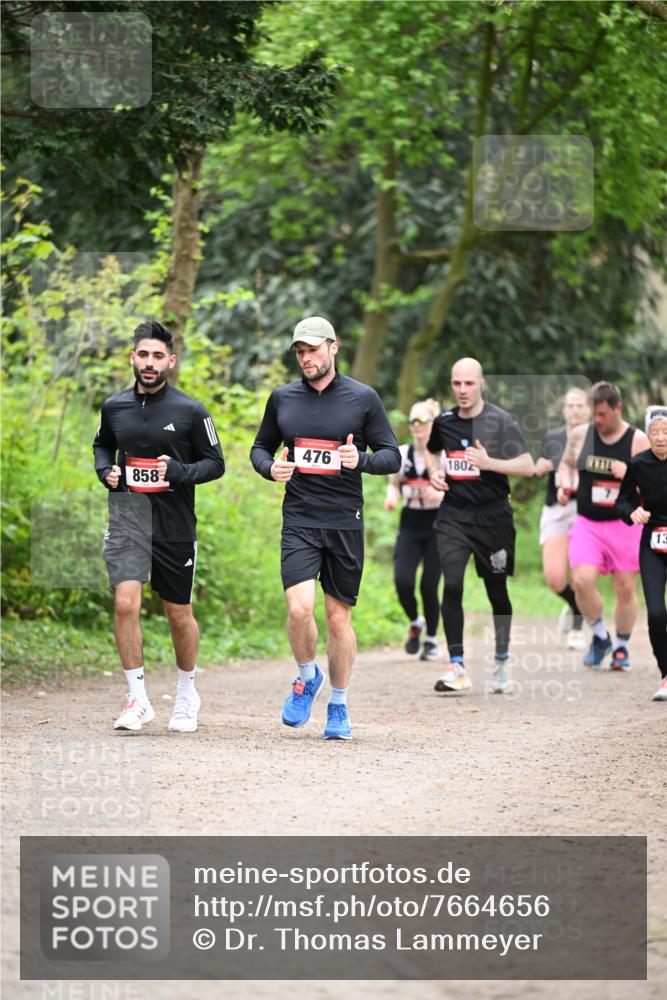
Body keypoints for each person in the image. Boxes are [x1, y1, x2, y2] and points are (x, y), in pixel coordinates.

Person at [250, 316, 400, 740]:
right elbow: (260, 447)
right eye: (299, 351)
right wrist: (269, 467)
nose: (306, 358)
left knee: (337, 620)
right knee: (299, 610)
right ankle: (305, 676)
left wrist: (362, 461)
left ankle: (338, 704)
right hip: (299, 517)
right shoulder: (282, 399)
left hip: (344, 521)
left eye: (313, 350)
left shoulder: (363, 398)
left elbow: (392, 455)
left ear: (333, 348)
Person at [93, 321, 225, 733]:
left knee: (177, 613)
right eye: (142, 355)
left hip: (175, 524)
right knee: (125, 604)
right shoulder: (114, 407)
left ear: (170, 361)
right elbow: (102, 445)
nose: (149, 363)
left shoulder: (191, 411)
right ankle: (137, 697)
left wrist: (180, 470)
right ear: (133, 358)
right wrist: (105, 471)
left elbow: (216, 464)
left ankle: (187, 692)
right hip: (127, 518)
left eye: (157, 357)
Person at [426, 358, 535, 694]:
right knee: (453, 584)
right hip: (454, 515)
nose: (462, 390)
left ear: (481, 384)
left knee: (496, 592)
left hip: (493, 518)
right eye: (456, 383)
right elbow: (431, 451)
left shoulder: (500, 421)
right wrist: (435, 472)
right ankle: (456, 665)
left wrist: (489, 463)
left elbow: (528, 466)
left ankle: (501, 659)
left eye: (468, 384)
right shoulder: (443, 421)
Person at [556, 381, 649, 670]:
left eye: (603, 415)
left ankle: (621, 646)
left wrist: (631, 476)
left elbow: (655, 485)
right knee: (581, 581)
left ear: (618, 409)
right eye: (594, 414)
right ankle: (599, 636)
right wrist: (565, 483)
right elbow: (567, 464)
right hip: (588, 522)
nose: (597, 421)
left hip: (624, 523)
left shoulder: (638, 441)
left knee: (624, 587)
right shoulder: (582, 435)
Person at [385, 399, 443, 661]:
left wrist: (439, 490)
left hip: (437, 524)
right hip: (410, 522)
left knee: (429, 585)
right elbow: (394, 483)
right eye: (413, 421)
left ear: (433, 424)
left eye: (422, 421)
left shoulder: (443, 455)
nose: (417, 426)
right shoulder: (403, 453)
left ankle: (431, 639)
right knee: (402, 582)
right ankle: (415, 621)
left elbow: (457, 489)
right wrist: (391, 495)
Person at [615, 409, 667, 701]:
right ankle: (665, 674)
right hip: (653, 543)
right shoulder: (638, 464)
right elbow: (622, 500)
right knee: (657, 614)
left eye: (666, 432)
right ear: (648, 435)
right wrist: (632, 511)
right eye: (655, 432)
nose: (660, 438)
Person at [534, 387, 590, 651]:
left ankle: (578, 626)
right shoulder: (553, 437)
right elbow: (540, 466)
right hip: (556, 508)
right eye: (570, 406)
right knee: (555, 577)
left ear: (589, 409)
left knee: (580, 574)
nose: (575, 410)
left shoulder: (597, 438)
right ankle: (573, 604)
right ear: (564, 410)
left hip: (587, 510)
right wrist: (540, 467)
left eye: (580, 405)